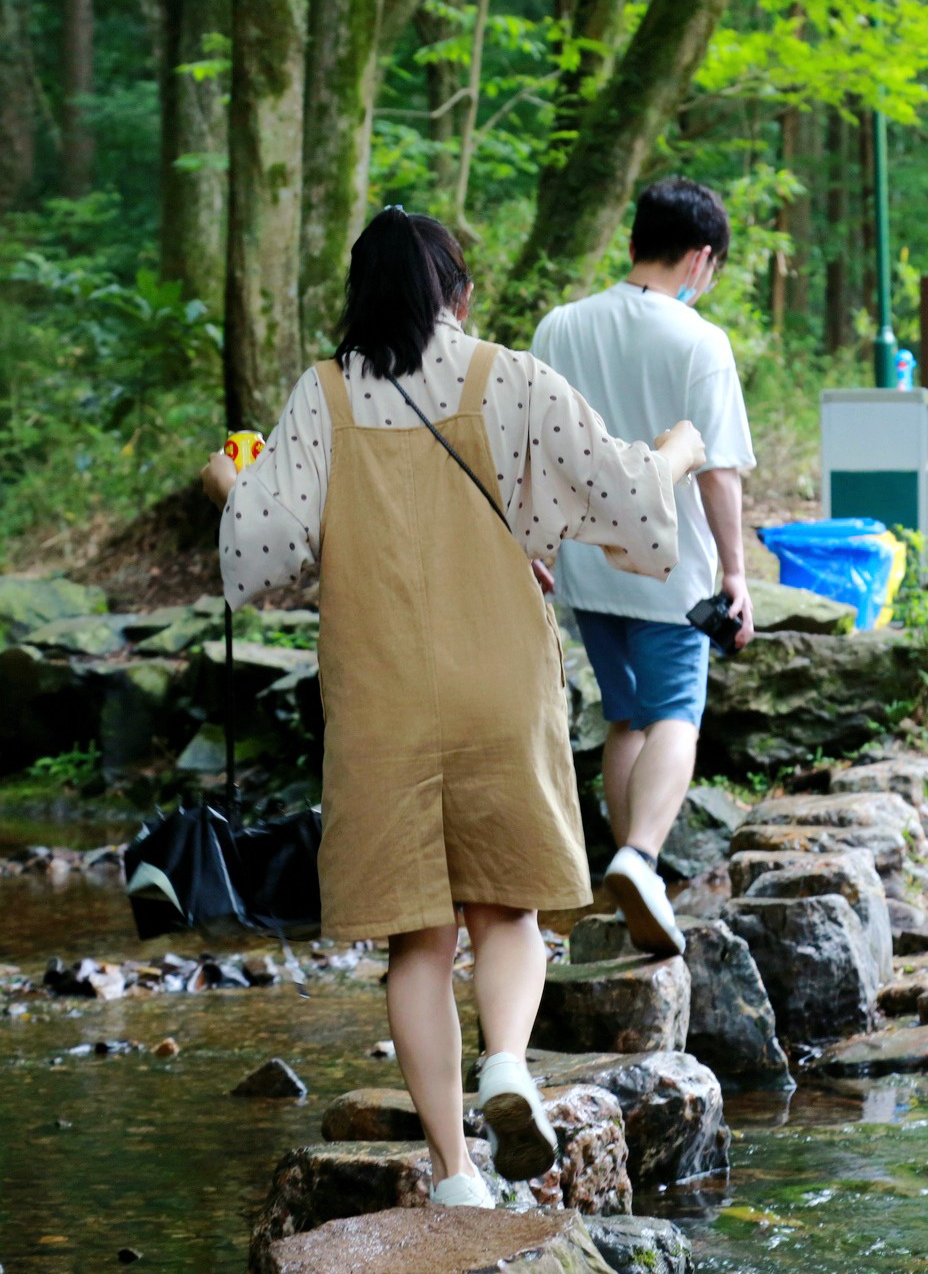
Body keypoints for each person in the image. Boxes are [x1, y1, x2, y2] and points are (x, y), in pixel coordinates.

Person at [199, 208, 708, 1208]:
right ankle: (509, 1062)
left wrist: (230, 482)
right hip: (500, 676)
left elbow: (260, 562)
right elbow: (627, 497)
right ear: (457, 294)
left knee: (416, 936)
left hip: (381, 692)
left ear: (360, 298)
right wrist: (683, 448)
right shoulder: (507, 376)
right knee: (508, 901)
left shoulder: (323, 396)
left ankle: (455, 1170)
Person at [531, 177, 757, 958]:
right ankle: (643, 859)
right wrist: (735, 572)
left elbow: (536, 445)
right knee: (676, 716)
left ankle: (628, 884)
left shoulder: (559, 327)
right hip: (673, 568)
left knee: (625, 716)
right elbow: (718, 471)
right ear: (701, 258)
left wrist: (534, 543)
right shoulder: (701, 342)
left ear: (634, 243)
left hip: (588, 564)